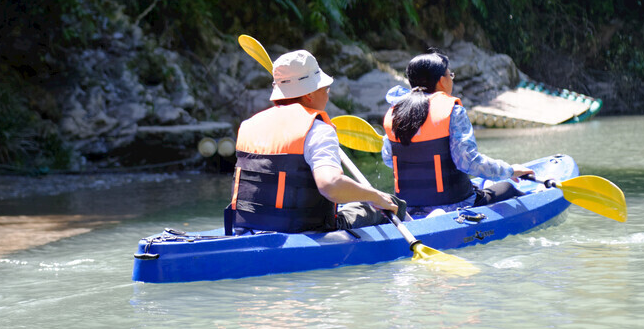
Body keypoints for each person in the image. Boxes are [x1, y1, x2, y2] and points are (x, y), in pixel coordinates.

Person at [227, 50, 403, 234]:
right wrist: (375, 196)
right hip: (305, 230)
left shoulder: (248, 125)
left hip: (247, 228)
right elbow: (330, 185)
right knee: (390, 203)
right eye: (326, 89)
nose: (328, 95)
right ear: (310, 94)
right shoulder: (318, 130)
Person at [382, 49, 534, 217]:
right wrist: (510, 171)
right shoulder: (451, 111)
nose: (451, 80)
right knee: (507, 188)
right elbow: (468, 162)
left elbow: (389, 160)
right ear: (441, 81)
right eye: (450, 75)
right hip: (454, 204)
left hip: (408, 208)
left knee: (484, 184)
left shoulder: (395, 113)